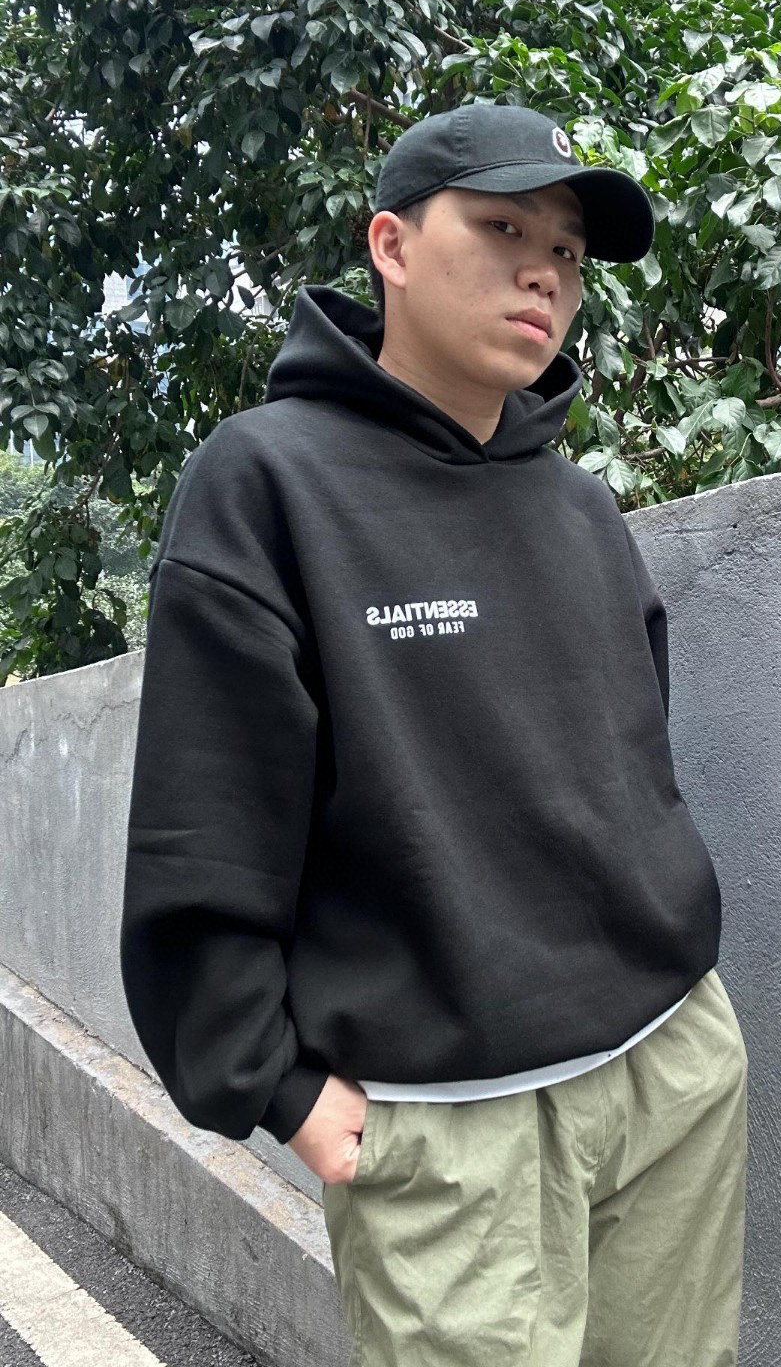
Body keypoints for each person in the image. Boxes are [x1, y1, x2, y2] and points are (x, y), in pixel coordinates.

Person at [120, 99, 748, 1367]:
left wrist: (692, 1025)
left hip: (669, 1071)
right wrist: (277, 1087)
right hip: (449, 1127)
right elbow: (208, 821)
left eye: (566, 250)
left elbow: (636, 770)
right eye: (503, 227)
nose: (544, 272)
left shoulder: (583, 509)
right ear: (392, 246)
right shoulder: (266, 483)